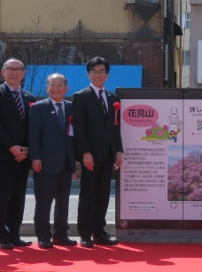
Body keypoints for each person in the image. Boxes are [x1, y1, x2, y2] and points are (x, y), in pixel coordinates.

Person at [72, 56, 123, 248]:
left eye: (102, 71)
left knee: (103, 194)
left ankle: (99, 232)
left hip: (108, 154)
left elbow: (115, 128)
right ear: (88, 74)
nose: (98, 75)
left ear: (107, 74)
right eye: (94, 71)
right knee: (87, 193)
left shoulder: (112, 98)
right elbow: (79, 127)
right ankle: (85, 233)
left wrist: (119, 151)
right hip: (90, 156)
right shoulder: (81, 97)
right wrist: (85, 152)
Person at [0, 58, 36, 250]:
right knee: (2, 196)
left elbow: (33, 125)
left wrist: (28, 149)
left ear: (24, 73)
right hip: (3, 154)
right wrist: (12, 147)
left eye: (18, 69)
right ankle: (2, 236)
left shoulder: (29, 97)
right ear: (3, 71)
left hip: (23, 156)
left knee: (18, 196)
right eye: (10, 69)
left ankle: (15, 234)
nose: (14, 72)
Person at [29, 73, 78, 248]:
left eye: (60, 85)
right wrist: (35, 157)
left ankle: (61, 234)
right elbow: (33, 136)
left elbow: (75, 137)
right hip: (45, 162)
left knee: (63, 201)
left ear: (66, 88)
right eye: (52, 85)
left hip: (66, 162)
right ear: (47, 87)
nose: (56, 88)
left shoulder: (72, 107)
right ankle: (43, 235)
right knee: (43, 201)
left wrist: (76, 164)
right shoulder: (38, 108)